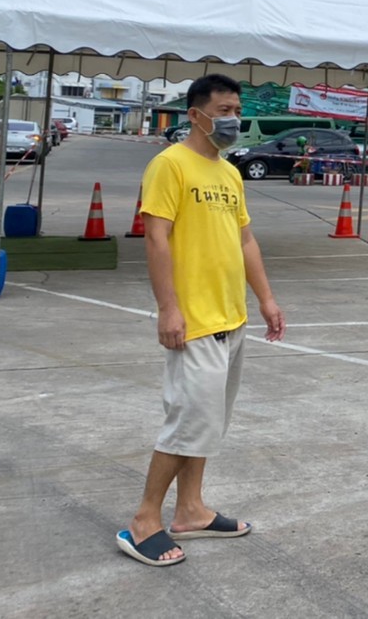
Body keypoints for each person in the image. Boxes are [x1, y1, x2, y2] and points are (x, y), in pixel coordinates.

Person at [117, 73, 286, 568]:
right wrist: (169, 308)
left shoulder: (230, 173)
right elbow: (156, 239)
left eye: (237, 110)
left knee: (208, 422)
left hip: (230, 318)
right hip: (192, 320)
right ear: (196, 115)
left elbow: (246, 241)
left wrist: (267, 301)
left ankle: (190, 509)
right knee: (187, 420)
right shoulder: (170, 165)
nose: (234, 119)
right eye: (225, 110)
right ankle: (145, 520)